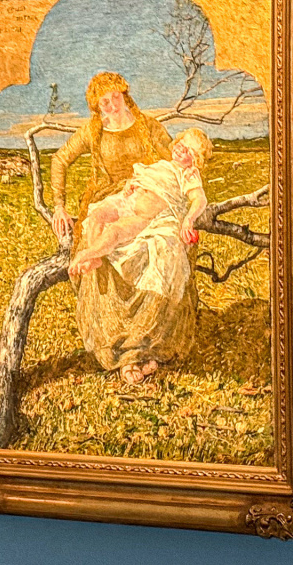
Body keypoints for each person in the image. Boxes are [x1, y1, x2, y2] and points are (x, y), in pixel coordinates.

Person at [48, 71, 194, 384]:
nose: (112, 105)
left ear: (124, 95)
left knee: (162, 250)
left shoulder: (148, 126)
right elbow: (59, 159)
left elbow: (179, 162)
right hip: (110, 201)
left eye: (116, 97)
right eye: (104, 101)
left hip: (149, 200)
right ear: (96, 106)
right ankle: (121, 352)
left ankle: (149, 347)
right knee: (100, 241)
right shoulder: (93, 131)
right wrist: (59, 205)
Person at [68, 128, 212, 304]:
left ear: (195, 160)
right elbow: (143, 178)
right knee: (97, 216)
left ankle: (87, 254)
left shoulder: (188, 173)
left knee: (115, 231)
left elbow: (200, 199)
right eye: (181, 143)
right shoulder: (162, 165)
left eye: (188, 150)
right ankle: (95, 257)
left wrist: (189, 219)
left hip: (145, 216)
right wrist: (131, 184)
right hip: (127, 203)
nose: (181, 149)